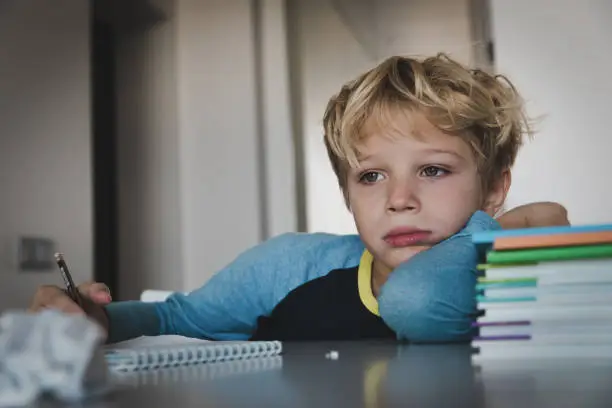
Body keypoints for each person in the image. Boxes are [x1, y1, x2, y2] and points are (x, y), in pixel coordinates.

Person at [30, 54, 569, 344]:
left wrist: (492, 236)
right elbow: (175, 319)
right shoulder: (289, 268)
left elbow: (421, 302)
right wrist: (99, 322)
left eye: (432, 169)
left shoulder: (511, 274)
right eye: (371, 177)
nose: (399, 199)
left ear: (495, 186)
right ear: (346, 193)